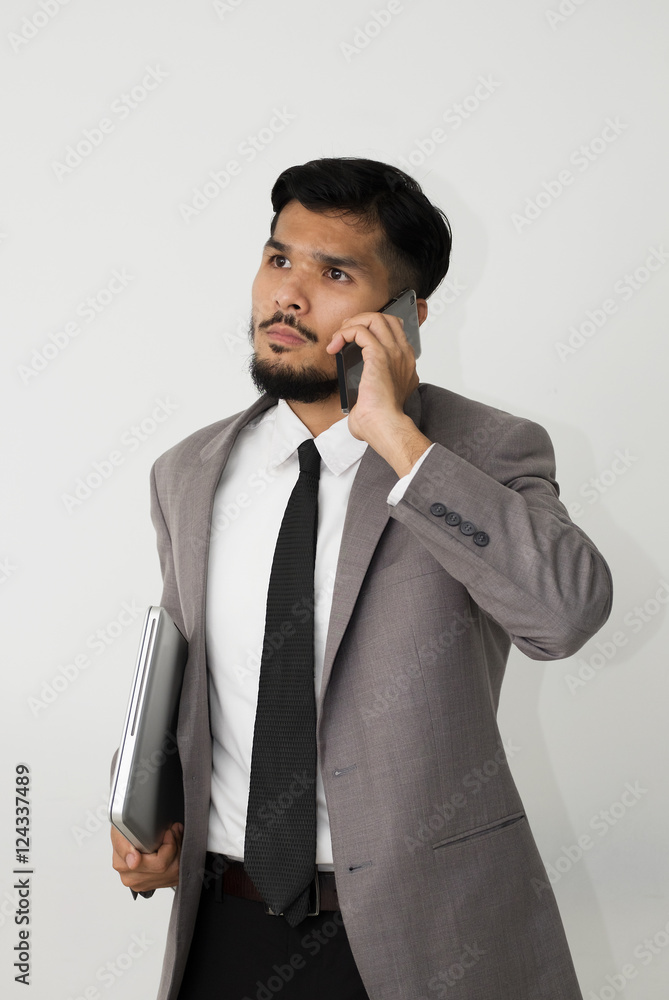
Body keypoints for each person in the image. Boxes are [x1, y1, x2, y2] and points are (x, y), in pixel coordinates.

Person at [110, 157, 612, 1000]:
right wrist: (153, 812)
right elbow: (188, 680)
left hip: (431, 936)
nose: (289, 296)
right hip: (225, 925)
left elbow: (563, 616)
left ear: (407, 315)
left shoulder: (482, 453)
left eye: (334, 273)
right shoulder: (187, 472)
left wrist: (394, 437)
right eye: (279, 260)